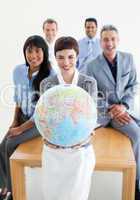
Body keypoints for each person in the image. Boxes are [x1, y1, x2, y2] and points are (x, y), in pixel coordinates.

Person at [85, 24, 140, 200]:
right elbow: (92, 94)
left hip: (126, 108)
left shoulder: (128, 59)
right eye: (106, 39)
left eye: (113, 39)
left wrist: (124, 105)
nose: (110, 43)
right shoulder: (92, 65)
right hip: (108, 114)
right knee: (136, 134)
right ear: (100, 42)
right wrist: (111, 109)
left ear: (118, 40)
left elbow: (133, 85)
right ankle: (136, 181)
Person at [40, 36, 97, 200]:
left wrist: (88, 133)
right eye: (60, 57)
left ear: (77, 56)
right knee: (53, 194)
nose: (66, 62)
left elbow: (91, 115)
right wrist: (47, 136)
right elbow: (44, 116)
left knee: (77, 194)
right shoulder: (47, 84)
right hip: (53, 150)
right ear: (55, 58)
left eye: (71, 57)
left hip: (80, 149)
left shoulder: (88, 83)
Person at [0, 35, 54, 200]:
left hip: (40, 122)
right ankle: (3, 185)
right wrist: (14, 122)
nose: (33, 55)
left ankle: (12, 189)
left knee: (11, 143)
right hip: (23, 116)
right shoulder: (18, 71)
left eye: (38, 51)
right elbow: (18, 99)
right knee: (2, 146)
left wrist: (20, 130)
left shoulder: (50, 75)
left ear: (44, 53)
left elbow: (42, 113)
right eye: (29, 51)